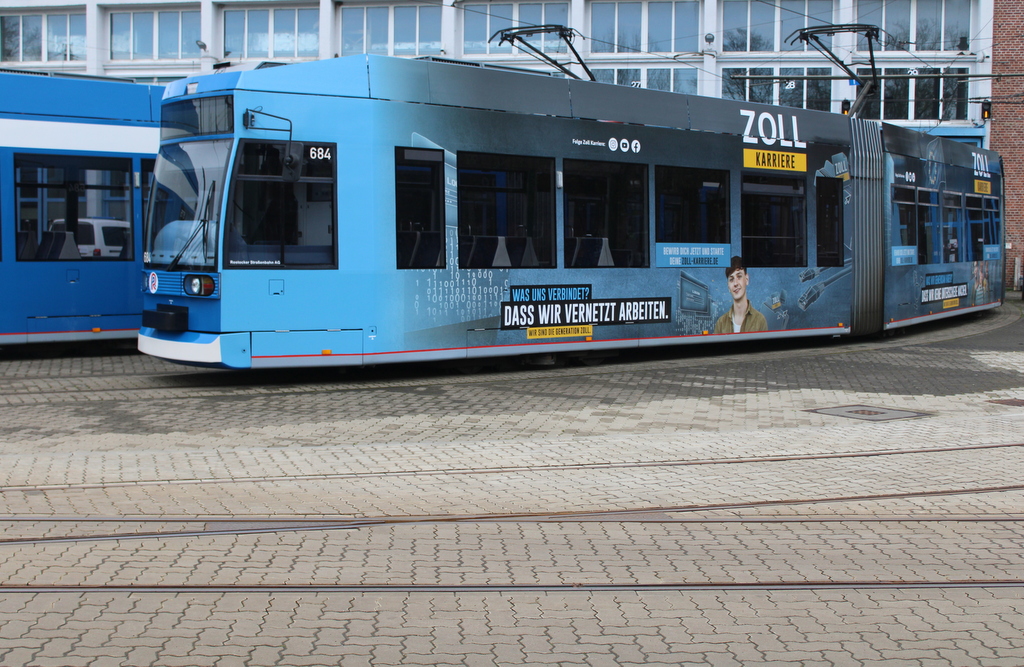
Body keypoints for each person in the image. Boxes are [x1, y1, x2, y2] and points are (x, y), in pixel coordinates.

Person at [714, 256, 768, 334]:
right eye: (731, 279)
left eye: (739, 276)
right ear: (728, 286)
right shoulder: (721, 323)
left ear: (746, 279)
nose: (735, 283)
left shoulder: (760, 320)